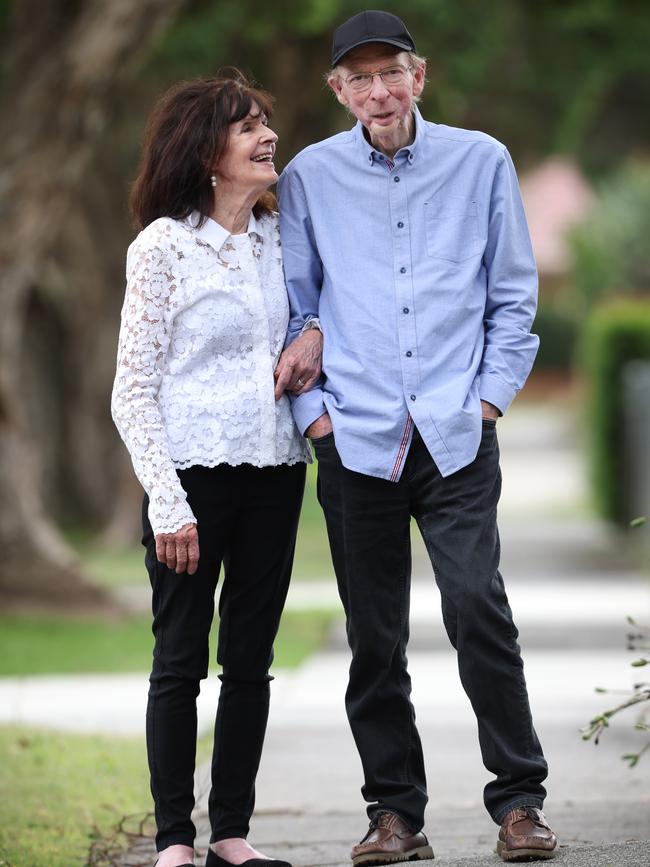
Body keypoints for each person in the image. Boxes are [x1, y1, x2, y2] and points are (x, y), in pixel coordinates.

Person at [277, 10, 558, 864]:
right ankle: (394, 814)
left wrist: (487, 403)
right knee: (375, 634)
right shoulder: (307, 176)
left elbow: (513, 298)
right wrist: (314, 418)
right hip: (354, 437)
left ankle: (519, 803)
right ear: (338, 90)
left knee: (478, 607)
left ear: (420, 76)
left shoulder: (483, 162)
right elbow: (295, 307)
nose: (378, 91)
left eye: (390, 72)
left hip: (455, 434)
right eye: (358, 78)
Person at [111, 72, 322, 867]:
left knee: (252, 661)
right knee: (179, 659)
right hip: (190, 481)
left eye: (266, 121)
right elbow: (131, 389)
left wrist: (318, 339)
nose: (268, 135)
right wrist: (167, 502)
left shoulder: (280, 238)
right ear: (207, 154)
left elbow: (317, 313)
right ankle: (174, 840)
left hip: (275, 470)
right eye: (247, 128)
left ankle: (231, 831)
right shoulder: (162, 247)